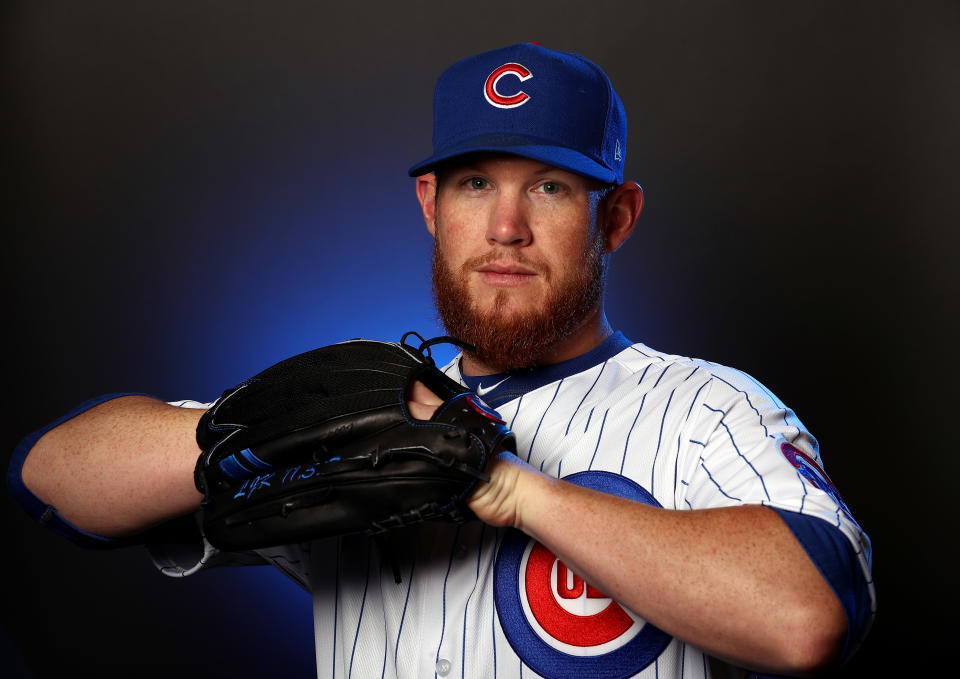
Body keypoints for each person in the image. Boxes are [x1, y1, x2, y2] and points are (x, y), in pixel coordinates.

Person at [9, 43, 873, 678]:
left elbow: (807, 618)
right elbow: (52, 477)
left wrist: (510, 486)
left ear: (615, 218)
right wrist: (267, 431)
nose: (505, 227)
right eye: (473, 183)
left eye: (549, 185)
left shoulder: (708, 408)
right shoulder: (372, 411)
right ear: (431, 205)